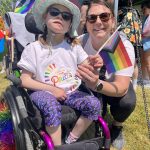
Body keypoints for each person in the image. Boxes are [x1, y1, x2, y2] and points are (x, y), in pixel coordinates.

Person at [17, 0, 102, 146]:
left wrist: (95, 65)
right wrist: (53, 89)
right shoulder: (33, 49)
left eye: (66, 16)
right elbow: (24, 80)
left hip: (70, 91)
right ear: (45, 17)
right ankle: (58, 146)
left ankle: (70, 140)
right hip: (42, 91)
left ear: (70, 24)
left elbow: (87, 68)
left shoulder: (74, 46)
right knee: (51, 106)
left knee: (94, 104)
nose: (60, 17)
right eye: (54, 12)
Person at [77, 0, 136, 149]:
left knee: (127, 102)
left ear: (113, 21)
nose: (98, 22)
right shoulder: (80, 42)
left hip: (110, 85)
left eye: (104, 16)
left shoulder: (121, 45)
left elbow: (121, 87)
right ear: (86, 23)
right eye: (92, 18)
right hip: (89, 87)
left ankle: (117, 126)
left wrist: (96, 84)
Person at [141, 0, 150, 87]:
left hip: (148, 43)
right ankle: (145, 80)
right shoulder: (146, 18)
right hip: (145, 43)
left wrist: (141, 33)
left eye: (144, 9)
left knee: (148, 63)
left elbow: (146, 31)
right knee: (144, 62)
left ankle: (148, 80)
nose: (143, 11)